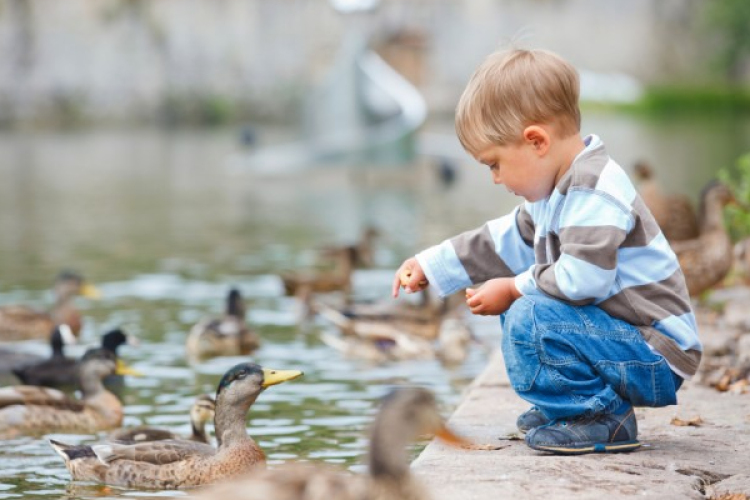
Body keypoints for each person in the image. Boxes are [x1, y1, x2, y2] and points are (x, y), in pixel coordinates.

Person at [391, 48, 701, 455]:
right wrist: (433, 263)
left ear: (536, 141)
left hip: (656, 352)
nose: (496, 179)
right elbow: (501, 241)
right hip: (625, 342)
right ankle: (571, 405)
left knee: (529, 310)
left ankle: (598, 416)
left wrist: (515, 287)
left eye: (494, 164)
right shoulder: (555, 194)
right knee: (520, 303)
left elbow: (584, 280)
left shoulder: (593, 190)